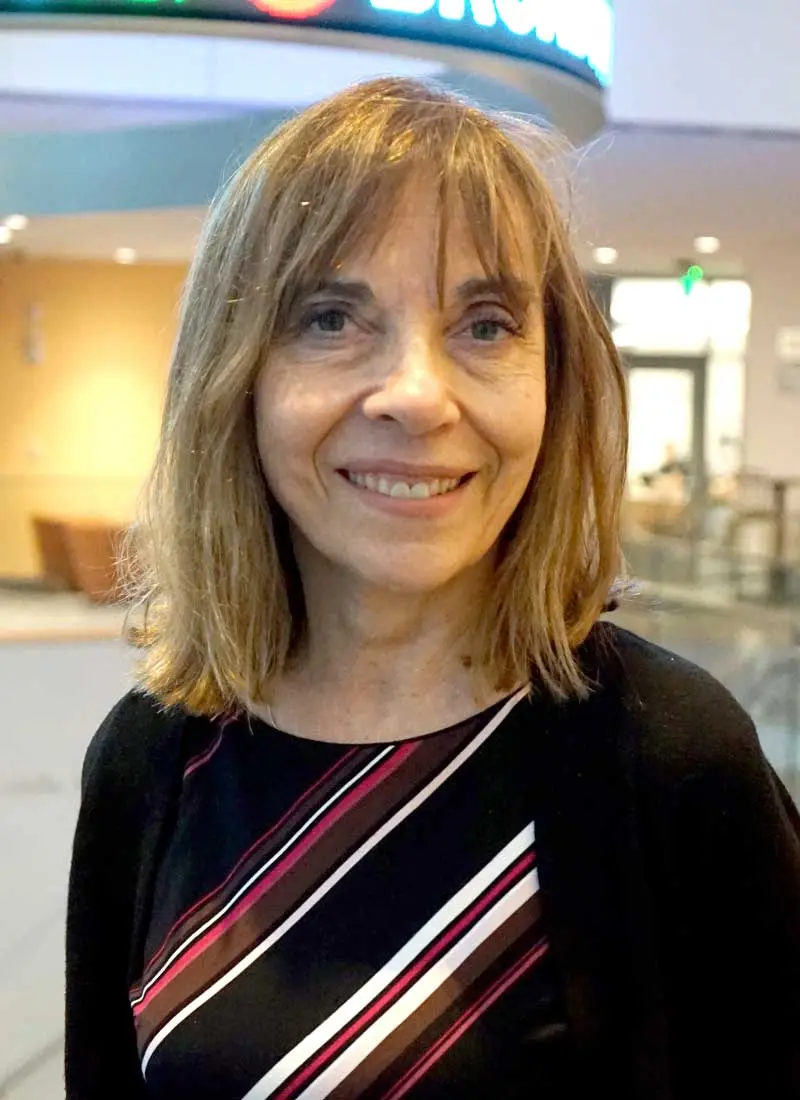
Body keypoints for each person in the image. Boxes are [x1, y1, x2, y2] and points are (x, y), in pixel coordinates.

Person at [65, 78, 800, 1100]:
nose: (417, 394)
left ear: (556, 379)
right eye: (331, 318)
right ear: (234, 378)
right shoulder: (151, 759)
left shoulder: (671, 756)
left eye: (486, 325)